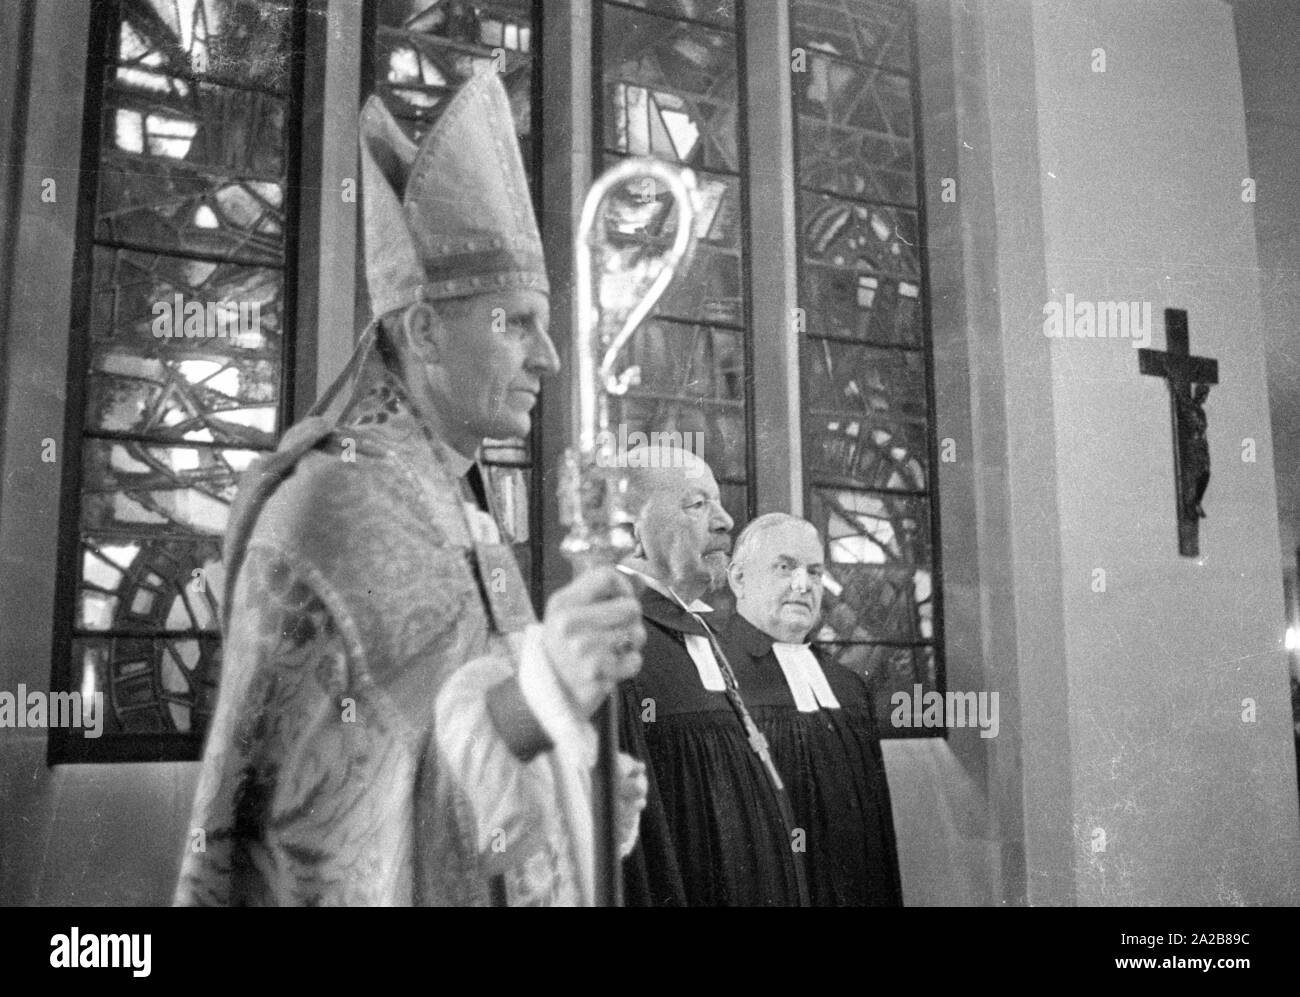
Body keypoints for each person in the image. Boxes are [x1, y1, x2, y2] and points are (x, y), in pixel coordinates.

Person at [174, 70, 647, 907]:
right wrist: (536, 701)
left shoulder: (457, 499)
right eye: (516, 323)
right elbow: (325, 836)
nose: (551, 358)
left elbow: (455, 767)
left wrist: (568, 788)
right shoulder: (330, 504)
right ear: (425, 328)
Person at [616, 445, 808, 906]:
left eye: (718, 502)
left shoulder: (702, 632)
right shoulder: (619, 646)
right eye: (697, 504)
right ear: (632, 531)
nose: (725, 521)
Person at [719, 512, 902, 906]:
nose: (803, 586)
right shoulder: (715, 680)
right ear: (739, 579)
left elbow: (877, 833)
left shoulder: (847, 687)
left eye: (815, 572)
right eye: (784, 568)